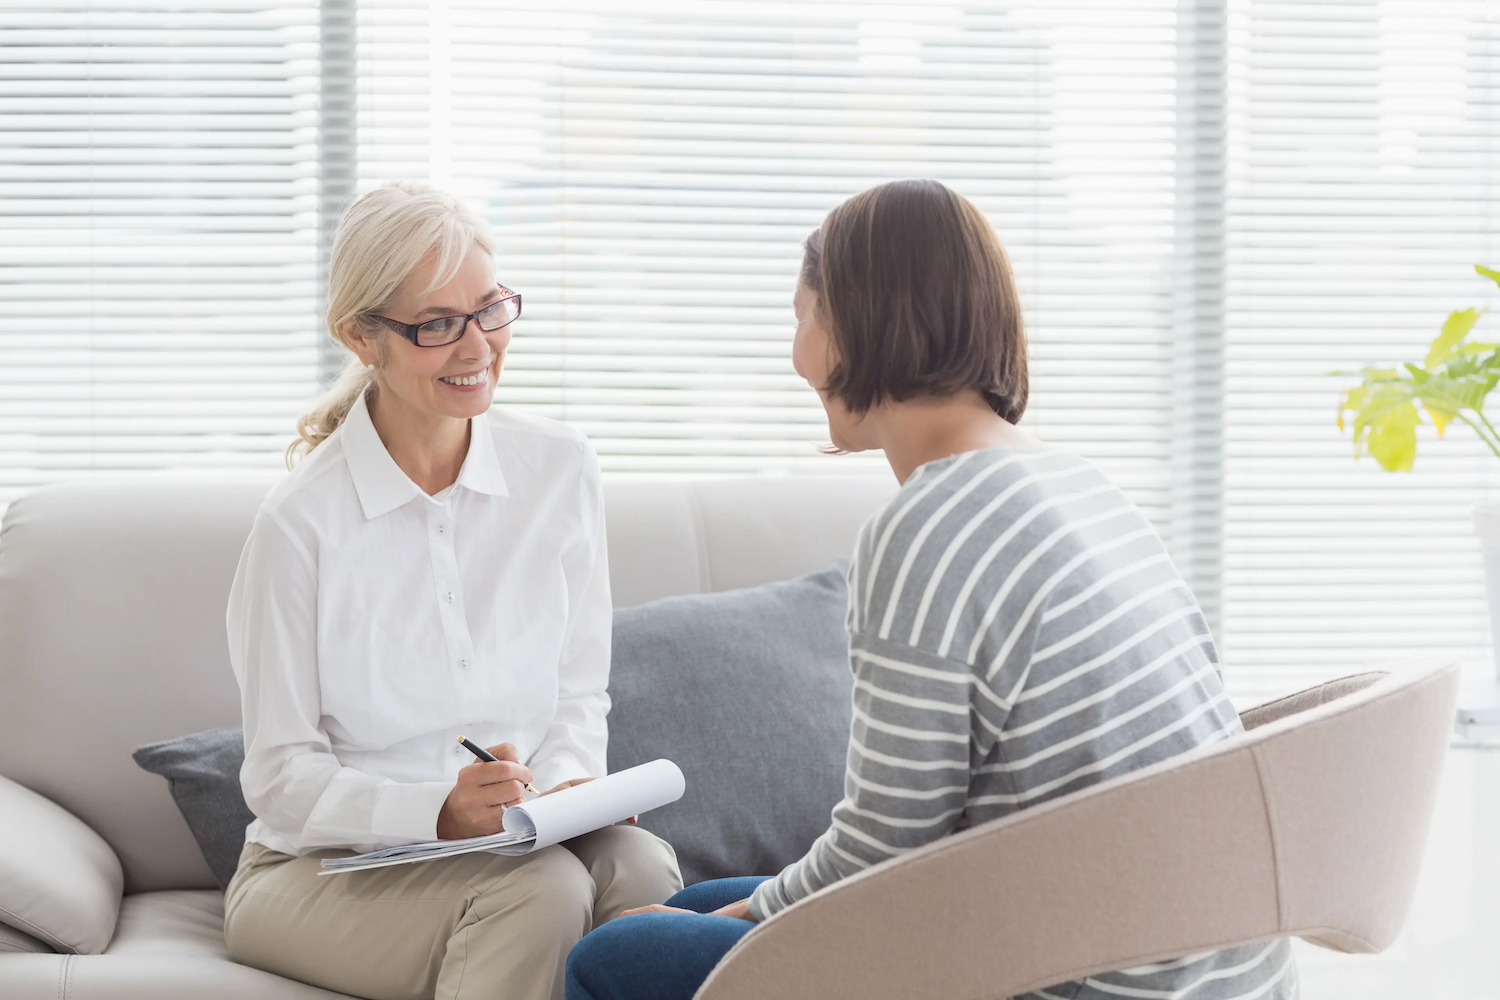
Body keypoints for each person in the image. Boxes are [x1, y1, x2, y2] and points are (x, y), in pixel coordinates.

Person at [563, 179, 1296, 1000]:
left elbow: (884, 849)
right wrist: (724, 917)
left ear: (856, 323)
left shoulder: (928, 529)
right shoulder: (1081, 484)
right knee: (692, 904)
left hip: (1077, 975)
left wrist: (739, 928)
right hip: (1209, 962)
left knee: (608, 961)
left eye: (801, 315)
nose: (795, 354)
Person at [221, 181, 681, 1000]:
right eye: (436, 325)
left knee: (638, 865)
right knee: (542, 892)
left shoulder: (561, 469)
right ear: (362, 337)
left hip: (512, 840)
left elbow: (579, 691)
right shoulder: (301, 524)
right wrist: (437, 812)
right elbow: (281, 780)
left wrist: (573, 785)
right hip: (317, 872)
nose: (477, 348)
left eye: (491, 310)